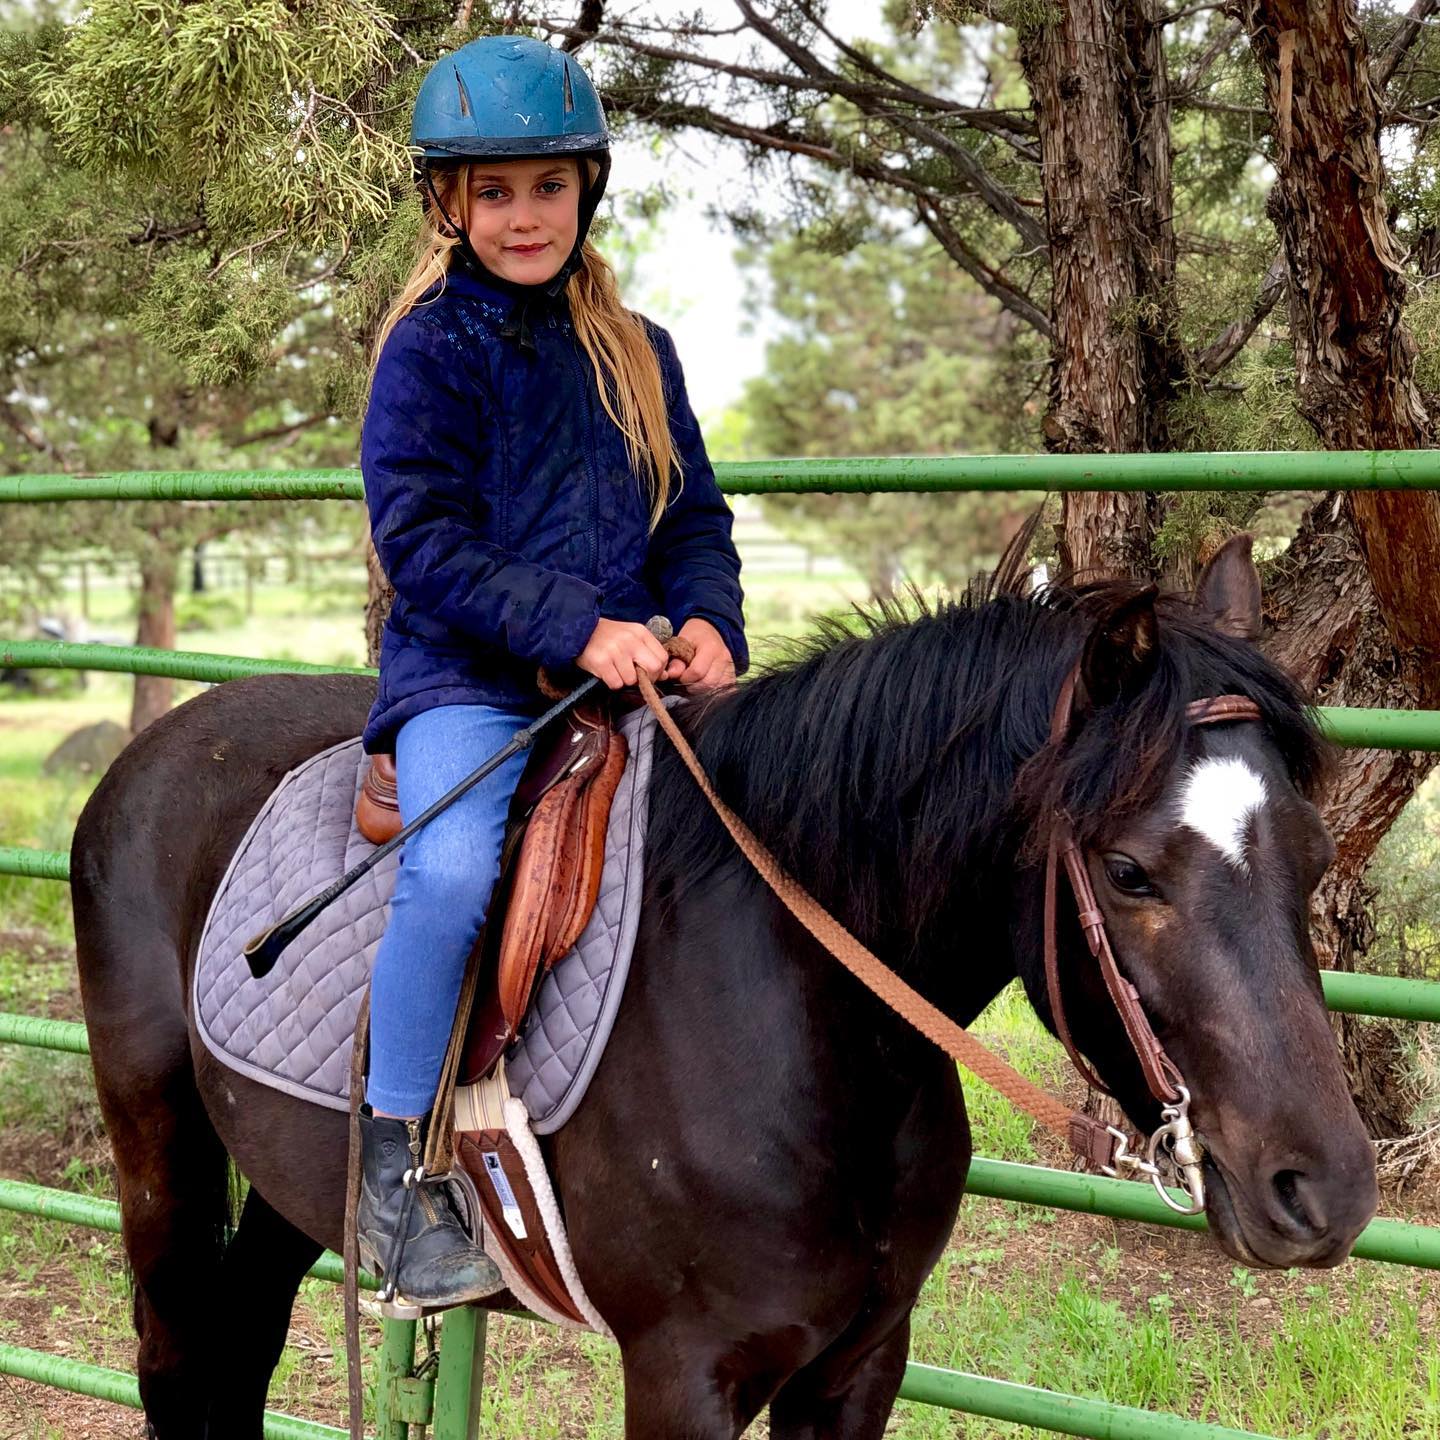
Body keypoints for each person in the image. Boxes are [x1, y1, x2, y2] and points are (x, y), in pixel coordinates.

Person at [357, 34, 747, 1306]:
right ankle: (390, 1176)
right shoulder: (430, 351)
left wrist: (706, 620)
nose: (523, 217)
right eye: (493, 192)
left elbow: (691, 517)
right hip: (467, 680)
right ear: (448, 205)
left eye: (546, 188)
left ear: (587, 191)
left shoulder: (641, 350)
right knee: (457, 870)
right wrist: (577, 627)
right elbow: (422, 544)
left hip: (632, 676)